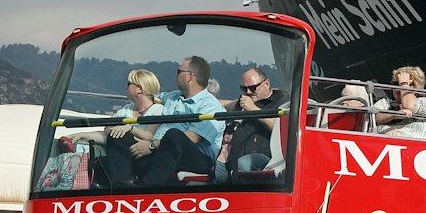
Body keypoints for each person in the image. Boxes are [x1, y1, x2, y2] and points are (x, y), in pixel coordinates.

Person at [134, 56, 226, 187]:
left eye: (178, 72)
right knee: (119, 136)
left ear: (189, 77)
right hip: (161, 151)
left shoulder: (211, 106)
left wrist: (152, 145)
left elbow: (192, 137)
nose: (175, 76)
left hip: (195, 158)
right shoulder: (172, 97)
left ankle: (147, 188)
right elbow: (150, 100)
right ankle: (116, 188)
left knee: (174, 135)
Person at [215, 66, 287, 181]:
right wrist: (206, 101)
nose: (248, 92)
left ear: (266, 84)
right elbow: (228, 104)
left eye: (253, 88)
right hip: (228, 155)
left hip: (264, 157)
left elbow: (281, 127)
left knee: (243, 164)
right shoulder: (244, 100)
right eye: (244, 89)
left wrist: (253, 109)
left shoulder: (282, 102)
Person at [101, 69, 167, 188]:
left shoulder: (157, 110)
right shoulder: (126, 109)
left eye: (128, 84)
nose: (126, 87)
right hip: (127, 152)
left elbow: (149, 135)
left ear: (140, 89)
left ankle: (120, 186)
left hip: (145, 154)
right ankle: (119, 184)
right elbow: (107, 132)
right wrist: (81, 135)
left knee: (119, 137)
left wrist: (130, 128)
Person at [375, 65, 426, 139]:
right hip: (380, 143)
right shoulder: (385, 102)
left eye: (409, 84)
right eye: (396, 84)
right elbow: (373, 118)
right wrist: (394, 115)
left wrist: (404, 84)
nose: (399, 88)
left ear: (417, 87)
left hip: (412, 145)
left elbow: (409, 106)